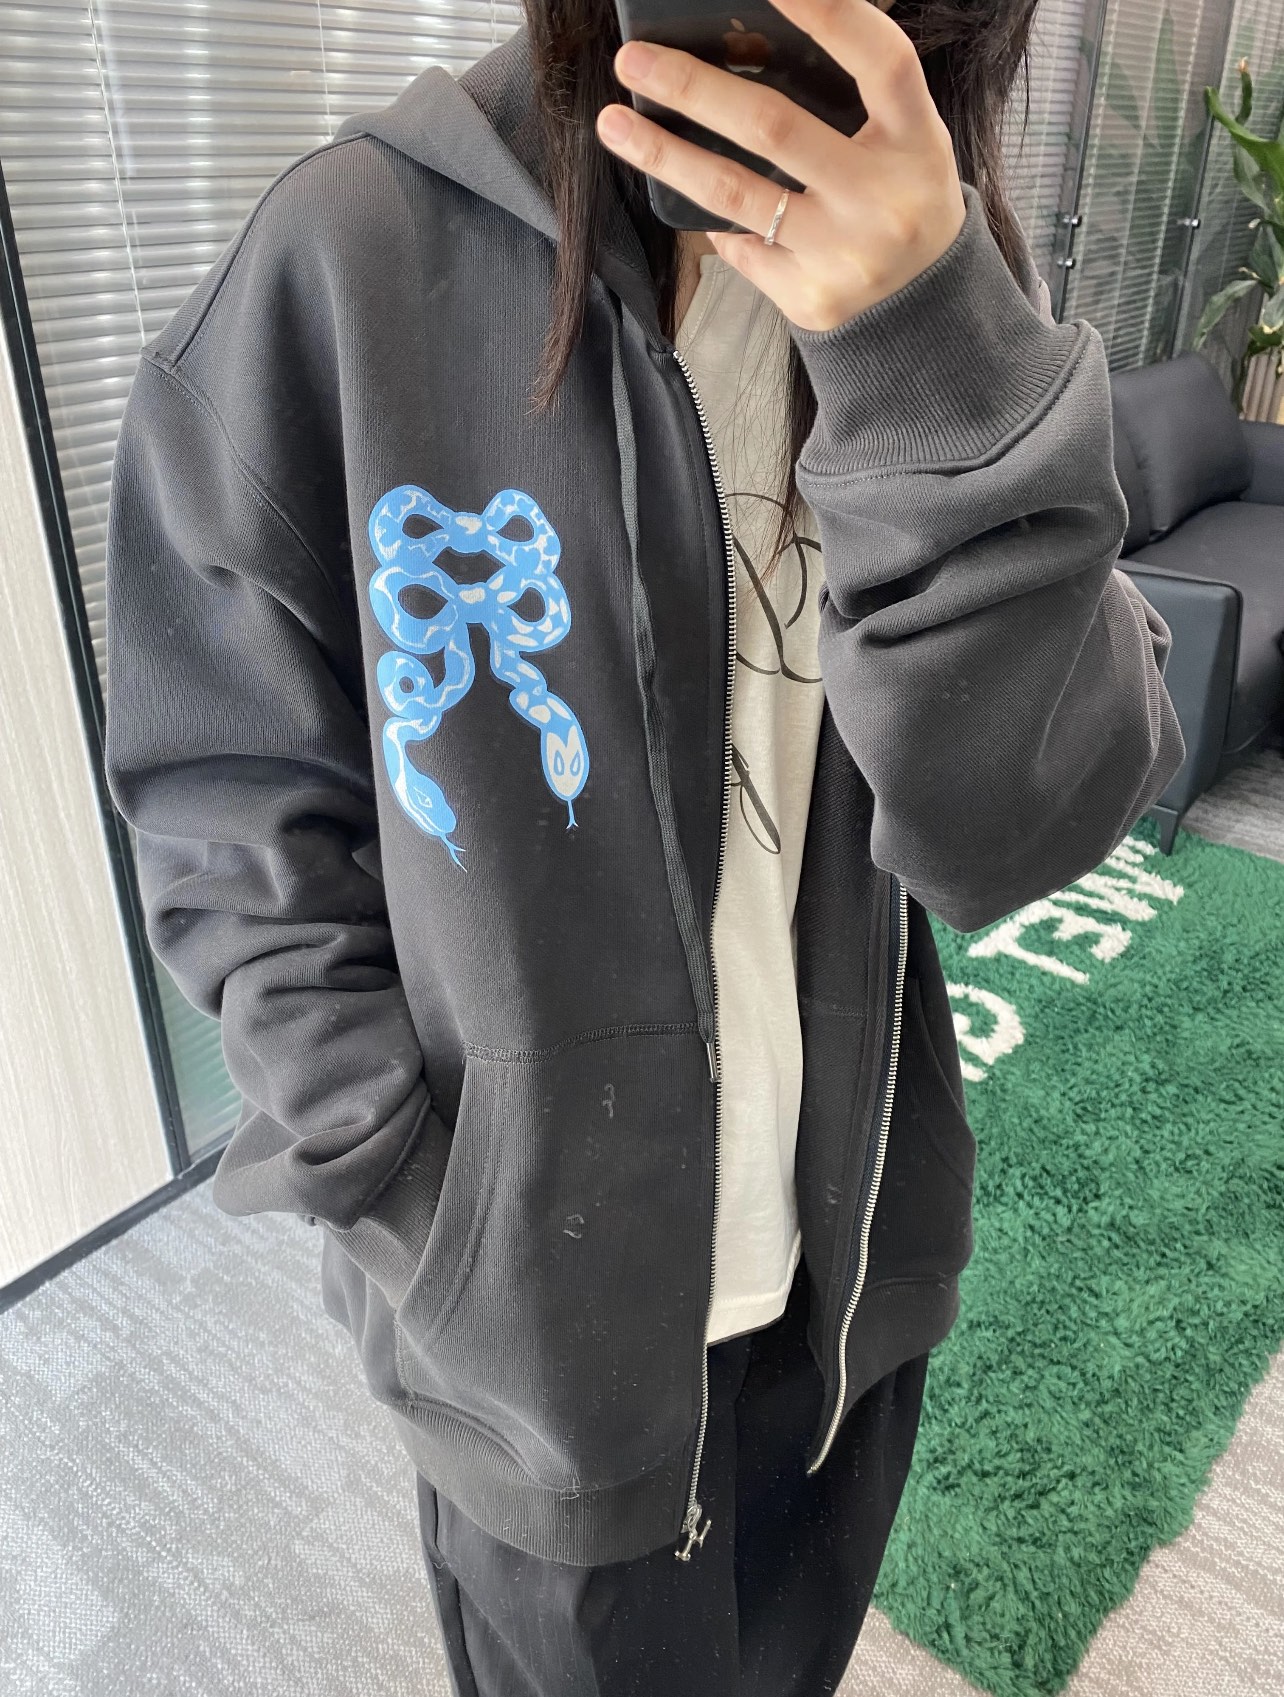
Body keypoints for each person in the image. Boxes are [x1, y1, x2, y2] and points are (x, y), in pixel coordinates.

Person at [101, 0, 1185, 1689]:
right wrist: (415, 1189)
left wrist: (936, 346)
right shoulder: (351, 252)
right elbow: (223, 790)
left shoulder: (938, 263)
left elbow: (1021, 825)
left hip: (843, 1293)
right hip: (534, 1346)